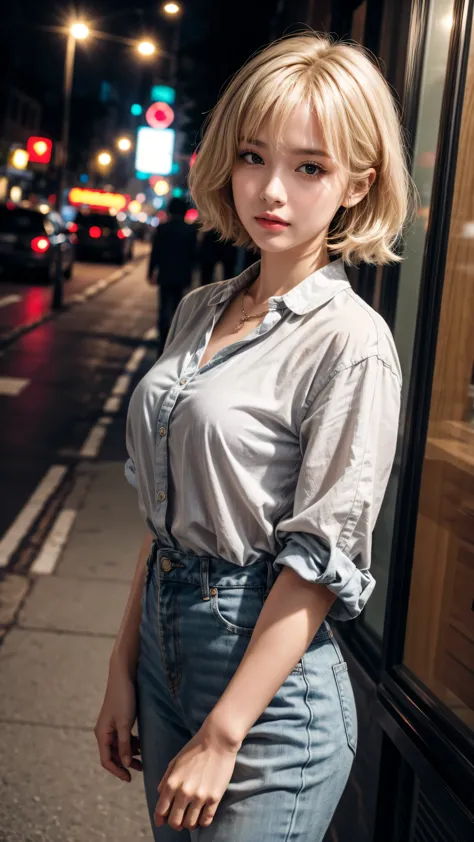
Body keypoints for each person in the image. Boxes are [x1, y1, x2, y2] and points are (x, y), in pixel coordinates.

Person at [95, 32, 413, 841]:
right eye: (252, 155)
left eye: (310, 167)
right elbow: (161, 512)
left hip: (269, 698)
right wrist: (121, 669)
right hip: (166, 651)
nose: (271, 189)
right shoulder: (204, 308)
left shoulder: (352, 341)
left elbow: (321, 561)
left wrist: (225, 730)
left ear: (356, 184)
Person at [147, 197, 197, 355]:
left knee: (163, 308)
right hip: (182, 274)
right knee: (177, 308)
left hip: (165, 274)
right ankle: (173, 342)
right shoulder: (190, 231)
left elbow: (155, 253)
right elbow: (193, 255)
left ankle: (162, 340)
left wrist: (151, 271)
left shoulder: (163, 229)